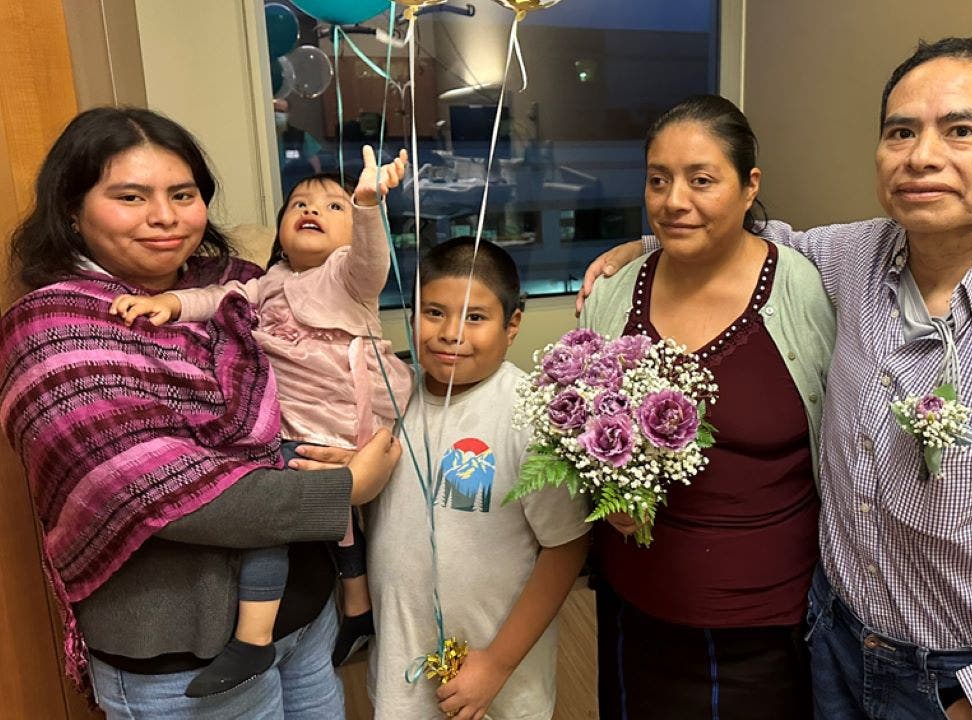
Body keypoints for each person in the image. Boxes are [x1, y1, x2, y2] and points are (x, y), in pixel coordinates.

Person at [581, 37, 972, 720]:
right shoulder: (853, 258)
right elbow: (751, 241)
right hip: (833, 643)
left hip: (963, 680)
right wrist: (645, 246)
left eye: (960, 130)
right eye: (901, 132)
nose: (922, 155)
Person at [0, 106, 402, 719]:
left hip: (304, 617)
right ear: (73, 212)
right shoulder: (53, 330)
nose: (163, 216)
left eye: (182, 194)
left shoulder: (239, 285)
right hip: (183, 655)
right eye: (130, 196)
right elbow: (154, 487)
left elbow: (321, 381)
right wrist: (347, 487)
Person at [110, 148, 416, 696]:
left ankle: (253, 638)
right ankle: (358, 607)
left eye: (332, 205)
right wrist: (172, 306)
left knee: (268, 518)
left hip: (336, 417)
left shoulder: (346, 278)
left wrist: (368, 207)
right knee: (331, 519)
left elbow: (372, 262)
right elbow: (215, 297)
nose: (311, 209)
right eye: (299, 202)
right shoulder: (267, 281)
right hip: (291, 419)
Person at [578, 94, 836, 719]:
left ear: (750, 187)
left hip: (765, 622)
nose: (674, 201)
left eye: (701, 180)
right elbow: (581, 430)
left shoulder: (804, 285)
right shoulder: (616, 291)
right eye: (658, 179)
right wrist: (601, 495)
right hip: (634, 606)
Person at [363, 238, 591, 720]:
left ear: (512, 326)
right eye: (434, 312)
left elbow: (566, 546)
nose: (450, 333)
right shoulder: (390, 399)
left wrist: (496, 665)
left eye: (475, 317)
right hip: (400, 671)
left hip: (497, 678)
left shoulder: (528, 412)